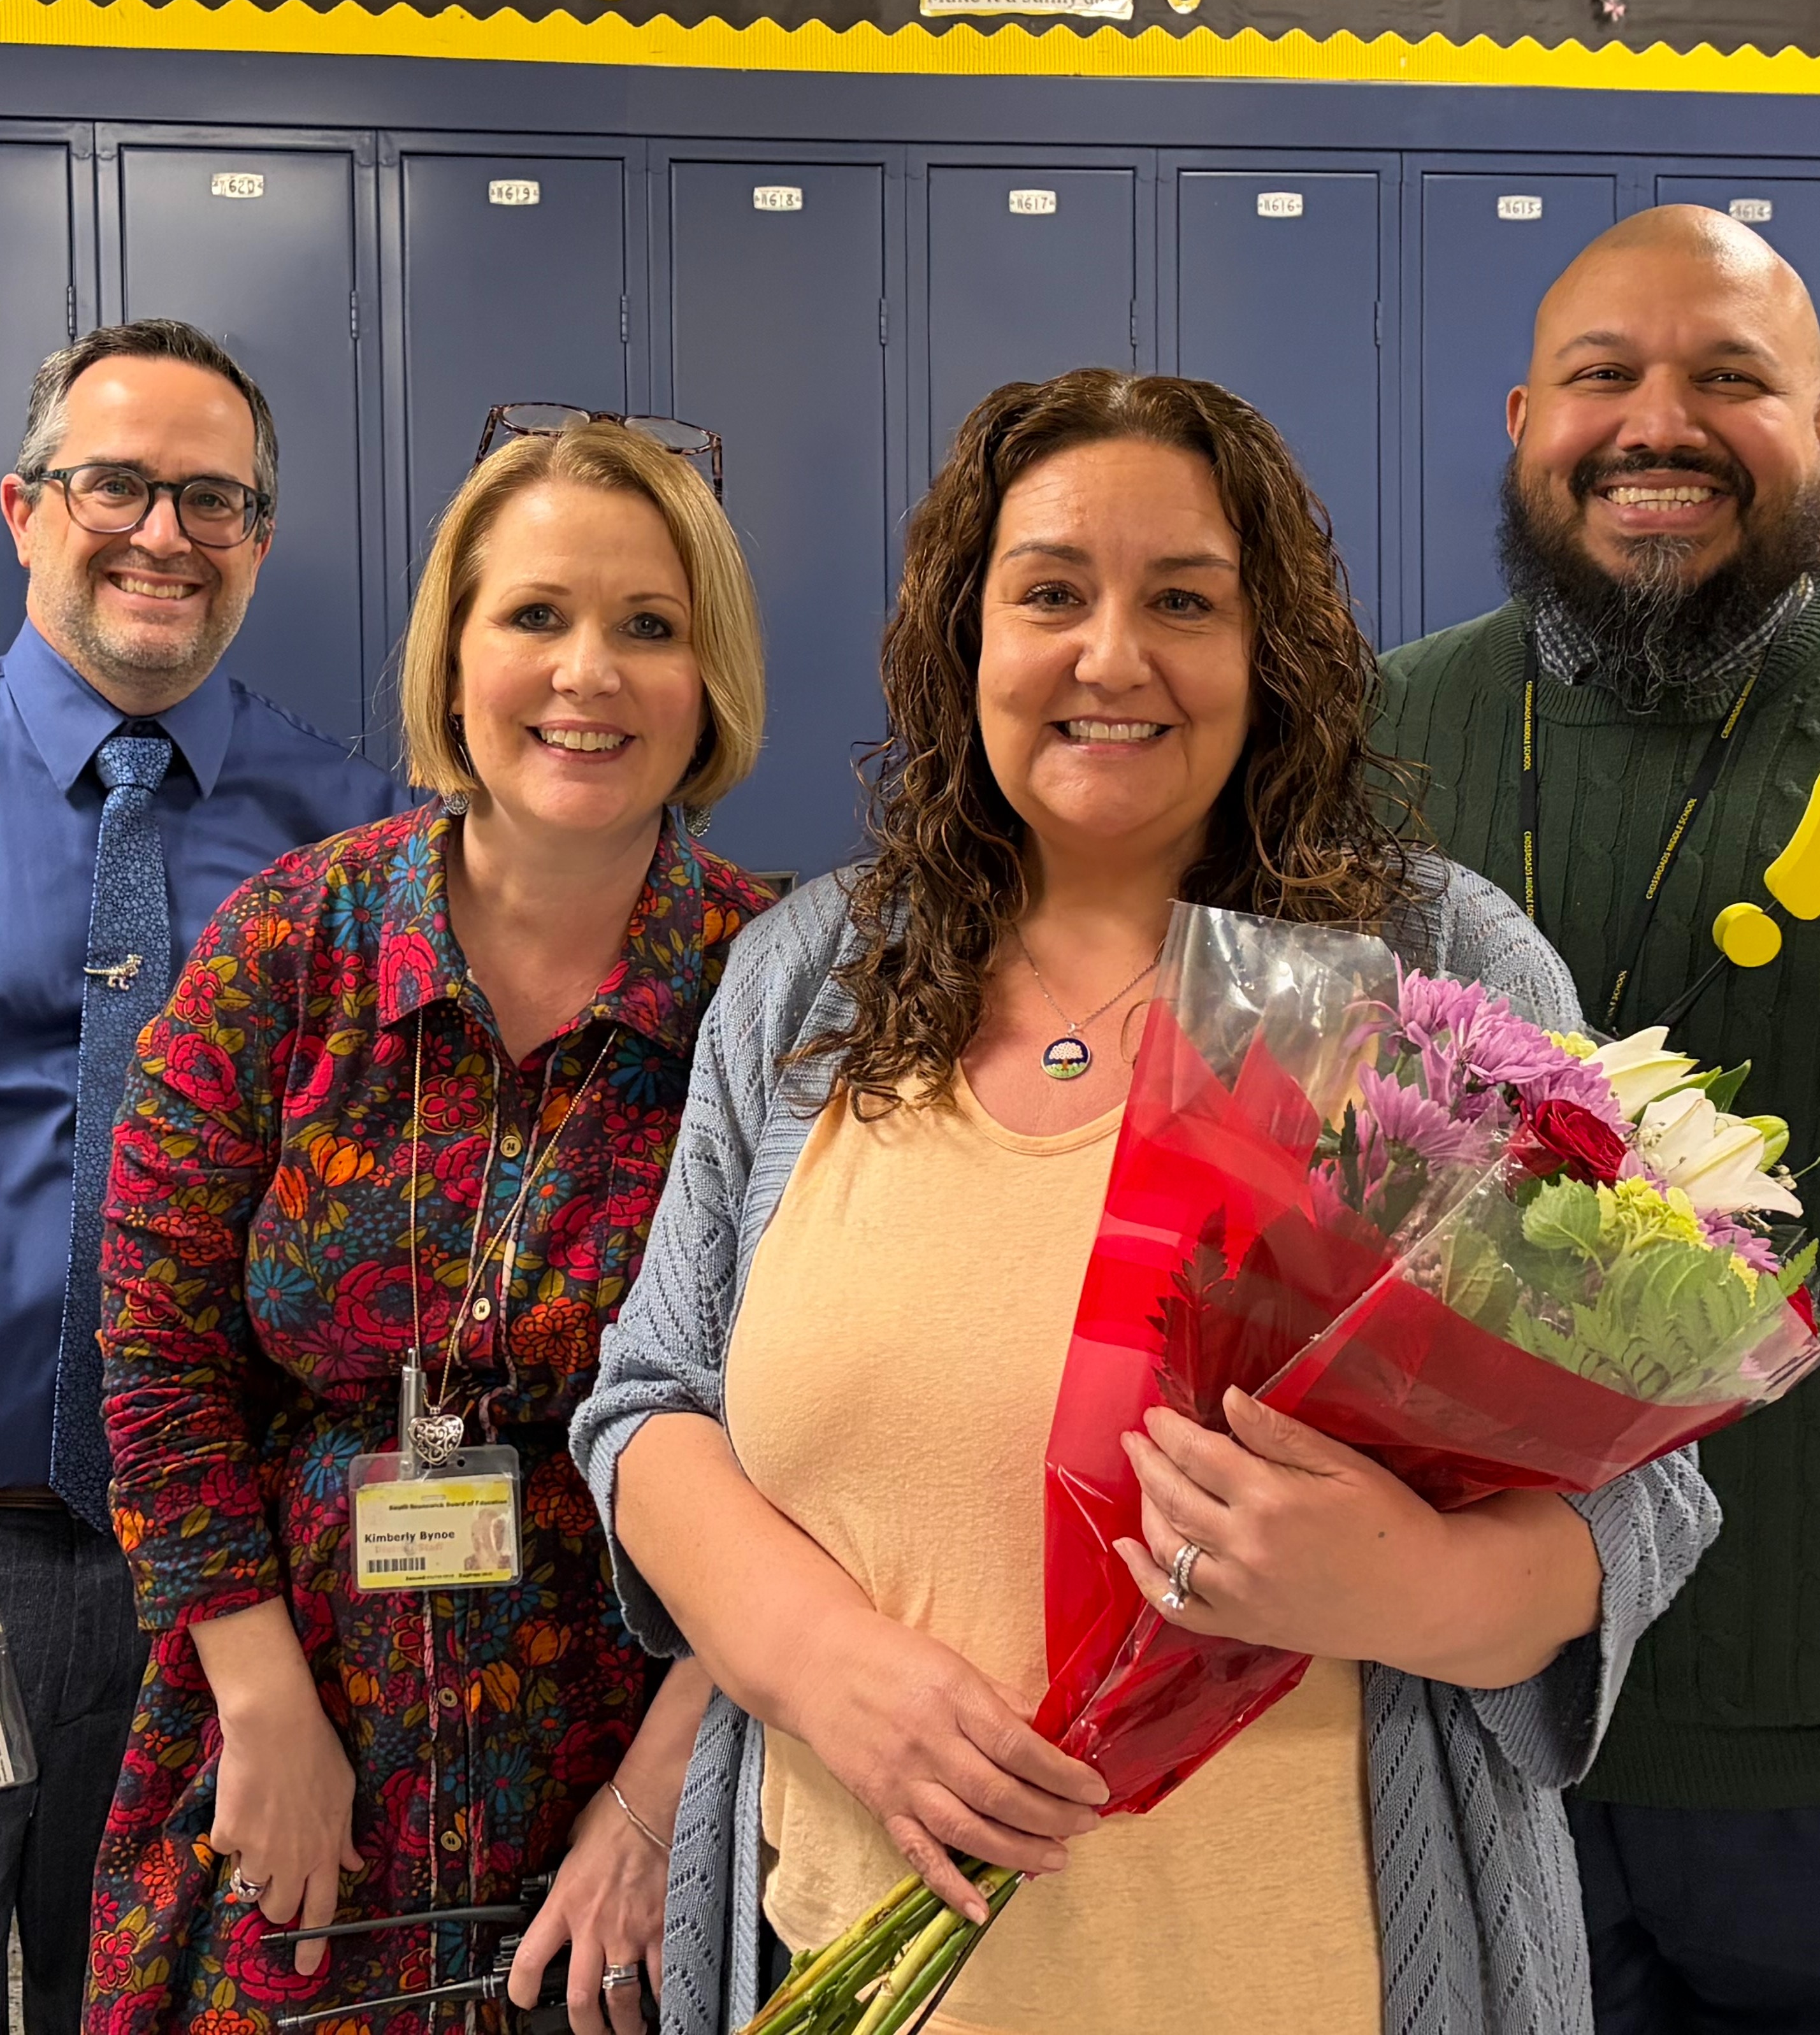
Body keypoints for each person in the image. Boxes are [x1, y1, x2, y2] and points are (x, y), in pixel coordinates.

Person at [572, 368, 1717, 2035]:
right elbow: (650, 1405)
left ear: (1273, 650)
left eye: (1184, 598)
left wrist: (1402, 1582)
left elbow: (1653, 1482)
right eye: (1050, 593)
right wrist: (816, 1660)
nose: (1112, 657)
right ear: (969, 637)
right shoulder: (808, 975)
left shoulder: (1432, 970)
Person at [86, 420, 772, 2035]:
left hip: (645, 1745)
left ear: (711, 673)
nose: (586, 674)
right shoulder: (293, 942)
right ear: (454, 651)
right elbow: (156, 1353)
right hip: (297, 1732)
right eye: (534, 615)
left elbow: (829, 1435)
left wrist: (656, 1803)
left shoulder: (787, 988)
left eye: (649, 626)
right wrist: (259, 1710)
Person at [1374, 202, 1820, 2033]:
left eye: (1732, 378)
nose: (1660, 422)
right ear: (1517, 417)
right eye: (1603, 376)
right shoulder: (1375, 730)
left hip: (1793, 1696)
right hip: (1467, 1689)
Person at [0, 319, 408, 2035]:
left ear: (258, 536)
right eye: (116, 484)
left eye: (214, 499)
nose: (163, 532)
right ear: (24, 506)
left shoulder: (363, 838)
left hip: (220, 1581)